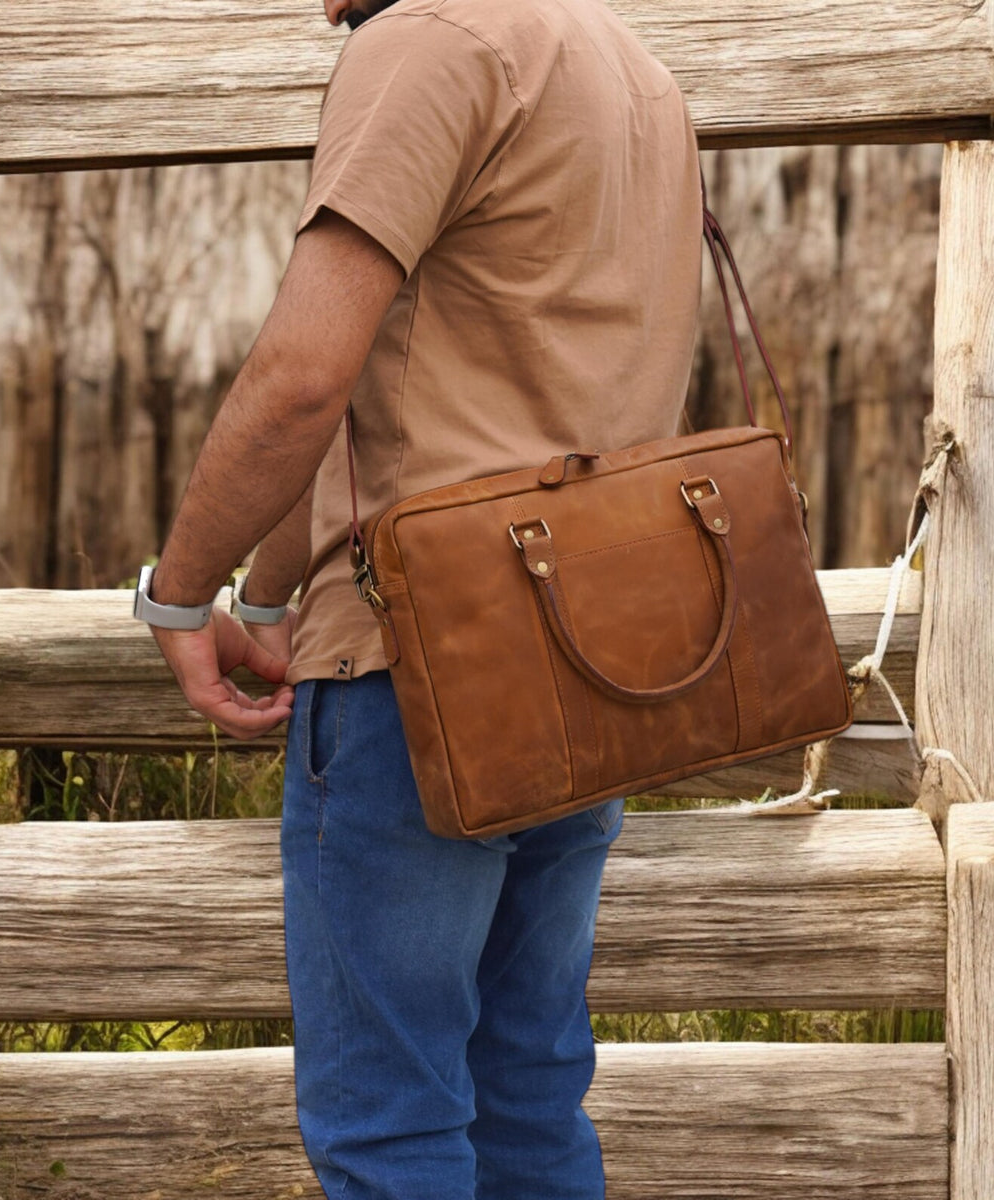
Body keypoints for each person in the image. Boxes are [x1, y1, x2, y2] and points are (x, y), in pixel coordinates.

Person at [134, 0, 703, 1194]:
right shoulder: (629, 64)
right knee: (530, 1099)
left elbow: (303, 377)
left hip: (424, 667)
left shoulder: (427, 44)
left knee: (391, 1125)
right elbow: (419, 362)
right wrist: (273, 590)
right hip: (589, 664)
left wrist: (180, 600)